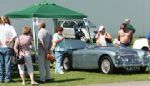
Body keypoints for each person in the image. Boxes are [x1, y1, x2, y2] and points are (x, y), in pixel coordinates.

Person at [0, 16, 17, 83]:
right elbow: (15, 35)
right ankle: (7, 79)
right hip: (8, 47)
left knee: (0, 64)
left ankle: (0, 78)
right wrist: (10, 40)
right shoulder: (10, 27)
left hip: (0, 47)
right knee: (8, 64)